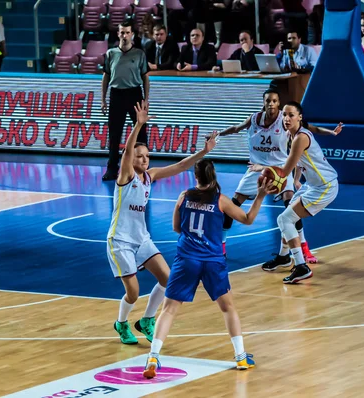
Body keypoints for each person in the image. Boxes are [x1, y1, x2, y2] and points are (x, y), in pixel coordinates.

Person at [142, 159, 277, 378]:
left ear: (195, 177)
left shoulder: (184, 197)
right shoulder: (221, 200)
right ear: (213, 175)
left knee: (168, 310)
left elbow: (177, 227)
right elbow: (249, 219)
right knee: (228, 308)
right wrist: (260, 195)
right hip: (212, 260)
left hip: (186, 259)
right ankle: (241, 356)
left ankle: (153, 356)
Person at [107, 100, 218, 344]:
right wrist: (138, 124)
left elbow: (180, 166)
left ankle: (147, 320)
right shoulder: (125, 176)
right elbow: (126, 152)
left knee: (168, 280)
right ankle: (121, 323)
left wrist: (204, 152)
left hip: (141, 238)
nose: (145, 159)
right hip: (120, 240)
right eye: (140, 156)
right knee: (133, 293)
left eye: (147, 156)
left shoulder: (150, 175)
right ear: (132, 159)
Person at [217, 88, 342, 264]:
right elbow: (236, 128)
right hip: (257, 170)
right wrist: (218, 134)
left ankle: (302, 253)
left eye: (275, 101)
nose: (271, 104)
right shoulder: (257, 119)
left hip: (280, 170)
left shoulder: (293, 129)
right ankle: (221, 247)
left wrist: (331, 132)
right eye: (268, 101)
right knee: (233, 205)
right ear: (264, 102)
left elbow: (303, 141)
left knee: (289, 212)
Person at [250, 101, 341, 284]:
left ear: (300, 117)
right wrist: (298, 180)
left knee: (284, 219)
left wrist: (262, 167)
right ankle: (284, 257)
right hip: (313, 185)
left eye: (291, 115)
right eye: (284, 114)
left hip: (325, 186)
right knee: (288, 215)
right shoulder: (292, 136)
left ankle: (301, 266)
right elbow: (300, 163)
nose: (286, 118)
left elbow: (284, 171)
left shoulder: (300, 137)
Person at [101, 19, 149, 181]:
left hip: (134, 94)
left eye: (127, 32)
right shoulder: (110, 54)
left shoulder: (139, 54)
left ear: (132, 35)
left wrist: (146, 99)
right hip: (116, 94)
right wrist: (103, 99)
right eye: (122, 32)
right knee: (114, 134)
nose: (124, 35)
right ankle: (112, 168)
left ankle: (143, 168)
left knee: (141, 132)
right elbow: (106, 76)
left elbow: (146, 78)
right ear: (118, 33)